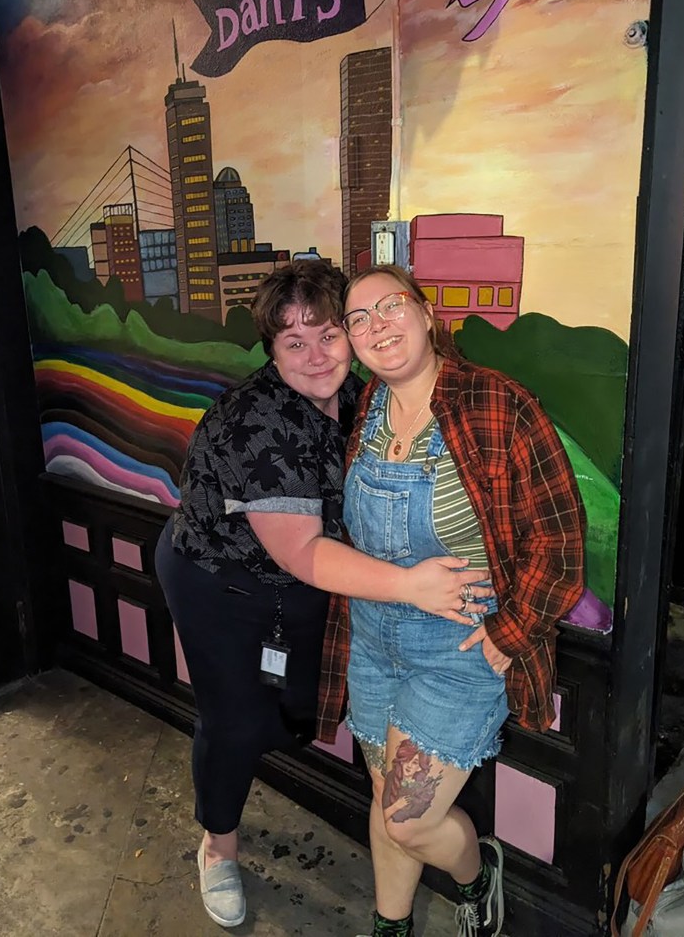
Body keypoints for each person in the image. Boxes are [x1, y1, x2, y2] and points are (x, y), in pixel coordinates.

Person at [154, 258, 482, 930]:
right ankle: (218, 845)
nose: (315, 355)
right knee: (236, 721)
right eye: (292, 342)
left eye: (329, 333)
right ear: (272, 351)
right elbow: (303, 549)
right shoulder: (260, 421)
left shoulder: (364, 396)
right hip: (218, 580)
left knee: (299, 707)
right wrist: (412, 585)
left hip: (304, 588)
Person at [316, 265, 587, 937]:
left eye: (391, 305)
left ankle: (477, 873)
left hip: (458, 646)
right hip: (373, 637)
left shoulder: (497, 404)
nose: (378, 324)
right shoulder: (365, 410)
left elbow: (561, 540)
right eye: (359, 318)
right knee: (387, 800)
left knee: (407, 816)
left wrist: (511, 630)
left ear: (426, 311)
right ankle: (391, 924)